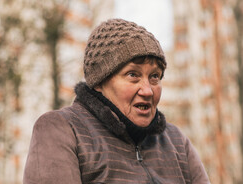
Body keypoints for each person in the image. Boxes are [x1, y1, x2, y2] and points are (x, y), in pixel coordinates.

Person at [23, 18, 210, 183]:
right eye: (132, 74)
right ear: (100, 81)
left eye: (154, 76)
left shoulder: (176, 142)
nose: (147, 90)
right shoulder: (62, 129)